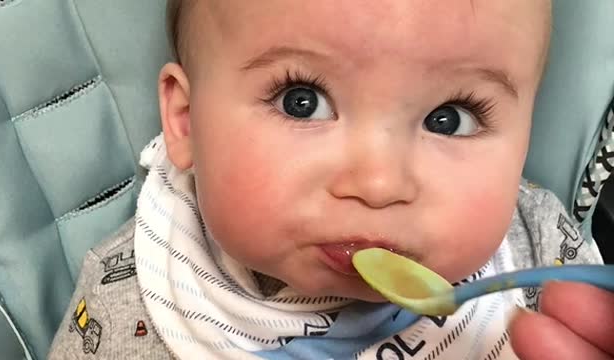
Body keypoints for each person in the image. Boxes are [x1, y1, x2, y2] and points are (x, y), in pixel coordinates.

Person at [48, 1, 614, 359]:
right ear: (186, 121)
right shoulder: (133, 296)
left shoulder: (544, 254)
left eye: (451, 118)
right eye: (302, 102)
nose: (377, 182)